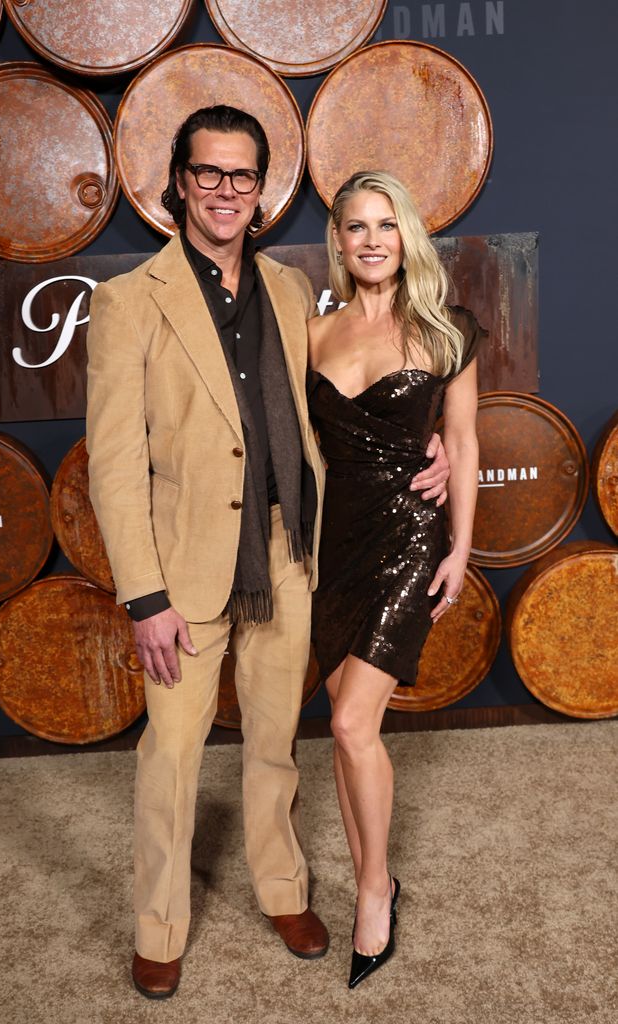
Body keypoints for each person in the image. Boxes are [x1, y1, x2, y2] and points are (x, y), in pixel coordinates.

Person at [86, 108, 450, 1000]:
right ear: (178, 183)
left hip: (290, 558)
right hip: (185, 572)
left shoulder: (292, 292)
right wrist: (144, 597)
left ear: (263, 194)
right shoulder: (130, 300)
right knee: (170, 757)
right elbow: (114, 463)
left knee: (277, 745)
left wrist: (422, 448)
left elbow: (337, 407)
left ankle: (282, 887)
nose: (224, 192)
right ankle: (160, 925)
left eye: (242, 178)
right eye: (207, 174)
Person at [307, 171, 483, 990]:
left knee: (348, 724)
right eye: (355, 227)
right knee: (349, 737)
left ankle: (375, 890)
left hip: (410, 539)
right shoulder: (315, 336)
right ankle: (371, 876)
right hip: (332, 544)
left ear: (406, 235)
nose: (372, 240)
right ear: (338, 241)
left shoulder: (446, 333)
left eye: (385, 224)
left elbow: (465, 444)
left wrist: (461, 548)